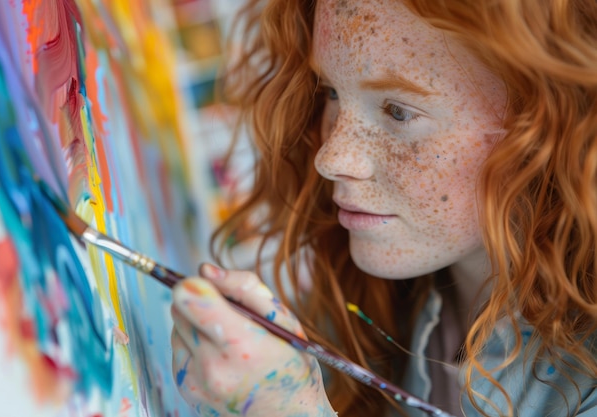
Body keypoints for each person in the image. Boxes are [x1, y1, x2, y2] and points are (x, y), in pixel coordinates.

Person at [169, 0, 597, 416]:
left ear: (551, 128)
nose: (331, 158)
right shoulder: (370, 297)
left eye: (397, 111)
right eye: (332, 92)